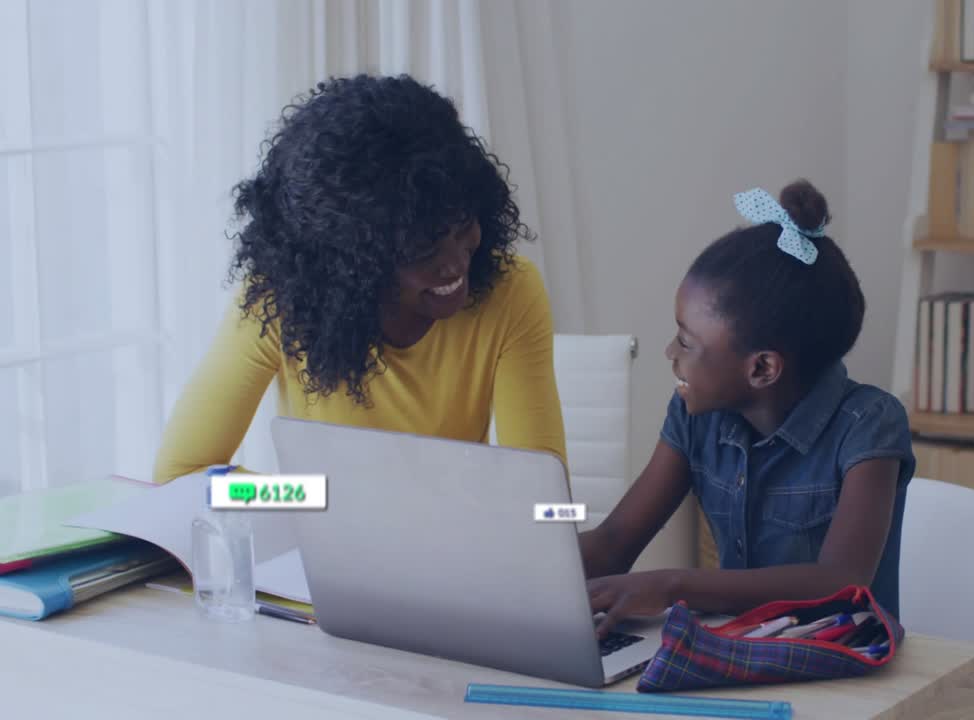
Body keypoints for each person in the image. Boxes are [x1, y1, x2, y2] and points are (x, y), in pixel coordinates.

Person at [153, 74, 566, 482]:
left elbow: (541, 493)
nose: (456, 263)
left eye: (463, 229)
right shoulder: (280, 302)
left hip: (455, 544)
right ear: (355, 260)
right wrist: (308, 501)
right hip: (322, 545)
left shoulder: (510, 291)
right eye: (423, 250)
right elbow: (180, 473)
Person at [579, 180, 914, 635]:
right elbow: (615, 541)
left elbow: (840, 581)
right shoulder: (695, 417)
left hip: (843, 658)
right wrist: (519, 570)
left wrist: (674, 584)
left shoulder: (869, 426)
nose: (669, 353)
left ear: (761, 369)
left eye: (686, 341)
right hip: (739, 650)